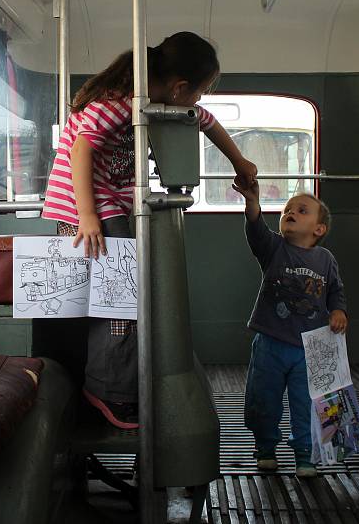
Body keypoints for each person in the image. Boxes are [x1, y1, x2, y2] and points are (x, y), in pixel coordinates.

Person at [42, 32, 257, 429]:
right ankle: (108, 390)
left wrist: (241, 162)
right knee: (122, 299)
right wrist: (88, 216)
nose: (199, 101)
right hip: (83, 205)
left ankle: (121, 378)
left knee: (131, 293)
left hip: (109, 202)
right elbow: (81, 148)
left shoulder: (158, 103)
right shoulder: (121, 104)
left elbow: (207, 123)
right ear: (179, 87)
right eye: (201, 92)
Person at [232, 181, 347, 478]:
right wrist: (253, 203)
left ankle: (305, 455)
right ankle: (266, 447)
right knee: (263, 399)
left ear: (319, 229)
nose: (290, 212)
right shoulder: (274, 248)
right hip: (270, 342)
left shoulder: (326, 260)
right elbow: (256, 231)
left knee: (306, 403)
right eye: (287, 210)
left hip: (310, 347)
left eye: (301, 210)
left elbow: (335, 291)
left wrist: (338, 311)